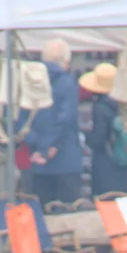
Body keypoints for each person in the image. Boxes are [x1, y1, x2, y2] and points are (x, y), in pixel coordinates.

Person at [22, 40, 84, 207]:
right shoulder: (68, 82)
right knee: (70, 216)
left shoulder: (29, 82)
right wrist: (49, 148)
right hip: (66, 158)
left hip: (37, 161)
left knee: (41, 217)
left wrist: (38, 147)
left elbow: (22, 120)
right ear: (66, 62)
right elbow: (66, 119)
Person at [81, 63, 127, 198]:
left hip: (106, 166)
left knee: (106, 207)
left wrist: (85, 136)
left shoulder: (100, 107)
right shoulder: (126, 104)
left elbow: (98, 140)